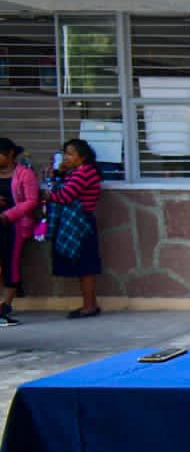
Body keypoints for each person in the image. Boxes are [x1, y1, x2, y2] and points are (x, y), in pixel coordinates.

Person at [46, 138, 104, 319]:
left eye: (70, 154)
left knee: (85, 266)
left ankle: (89, 306)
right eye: (65, 154)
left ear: (83, 156)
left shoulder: (84, 173)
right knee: (82, 266)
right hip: (79, 222)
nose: (66, 157)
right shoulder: (77, 172)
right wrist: (61, 173)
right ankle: (90, 304)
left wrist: (49, 195)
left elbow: (65, 196)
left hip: (80, 224)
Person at [0, 139, 41, 326]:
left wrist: (8, 215)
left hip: (13, 226)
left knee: (11, 264)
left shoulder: (25, 174)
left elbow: (32, 200)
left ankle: (4, 308)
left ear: (9, 154)